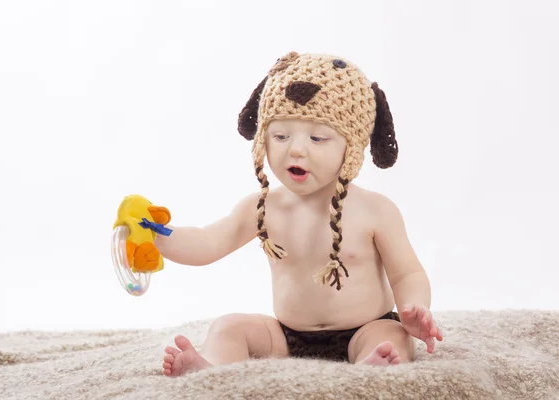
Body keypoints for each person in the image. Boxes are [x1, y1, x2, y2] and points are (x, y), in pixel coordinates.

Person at [158, 51, 443, 377]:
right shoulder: (263, 207)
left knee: (394, 337)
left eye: (317, 138)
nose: (295, 149)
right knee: (229, 326)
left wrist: (414, 308)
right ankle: (210, 367)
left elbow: (407, 274)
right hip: (286, 335)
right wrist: (159, 236)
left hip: (365, 328)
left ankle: (369, 368)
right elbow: (209, 241)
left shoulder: (376, 210)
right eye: (280, 136)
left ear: (351, 146)